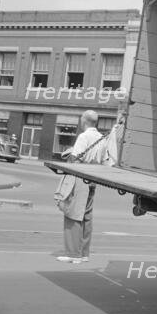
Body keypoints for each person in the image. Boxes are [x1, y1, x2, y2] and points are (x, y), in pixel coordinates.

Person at [56, 110, 104, 264]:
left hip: (80, 177)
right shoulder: (101, 138)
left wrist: (68, 154)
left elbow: (74, 158)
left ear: (84, 121)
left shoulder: (83, 137)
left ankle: (72, 254)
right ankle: (84, 253)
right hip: (93, 178)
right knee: (87, 217)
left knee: (73, 214)